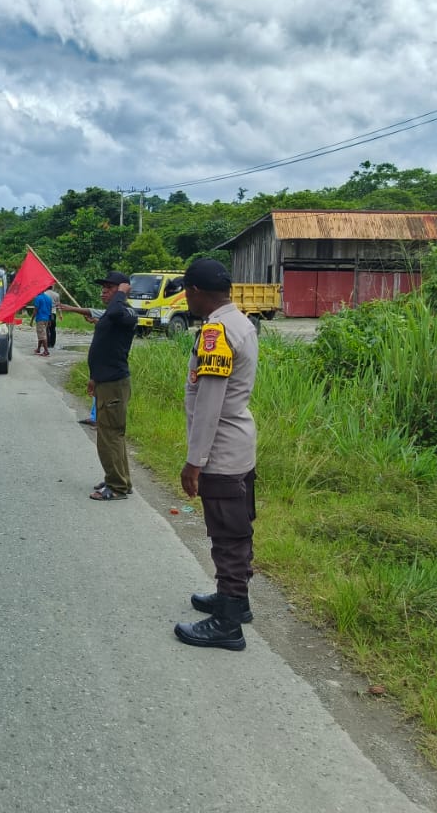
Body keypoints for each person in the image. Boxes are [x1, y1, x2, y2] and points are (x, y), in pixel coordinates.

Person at [174, 258, 259, 652]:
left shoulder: (216, 331)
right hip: (238, 443)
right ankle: (233, 601)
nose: (185, 297)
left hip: (221, 449)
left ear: (194, 291)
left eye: (185, 291)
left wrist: (195, 462)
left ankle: (227, 624)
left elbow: (209, 401)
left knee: (227, 535)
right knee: (238, 529)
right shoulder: (240, 321)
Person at [84, 271, 137, 501]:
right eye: (103, 287)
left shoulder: (124, 311)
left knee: (109, 436)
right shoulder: (112, 314)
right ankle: (120, 478)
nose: (104, 291)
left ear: (123, 289)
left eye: (110, 287)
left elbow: (117, 311)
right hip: (105, 381)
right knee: (112, 433)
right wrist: (94, 376)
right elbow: (104, 346)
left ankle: (117, 487)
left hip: (114, 383)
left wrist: (122, 293)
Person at [32, 287, 54, 356]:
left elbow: (35, 310)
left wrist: (32, 320)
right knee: (42, 334)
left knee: (42, 335)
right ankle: (38, 349)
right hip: (46, 319)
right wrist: (50, 319)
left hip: (40, 319)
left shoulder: (38, 298)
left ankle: (46, 351)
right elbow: (50, 310)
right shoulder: (48, 298)